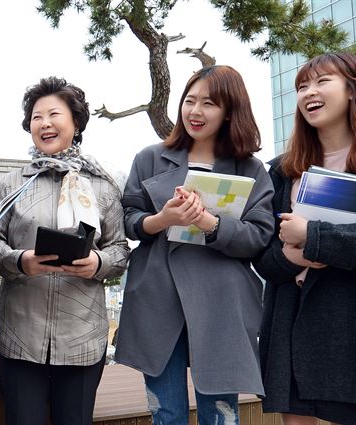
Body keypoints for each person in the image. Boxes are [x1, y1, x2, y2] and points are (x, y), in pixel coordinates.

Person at [254, 52, 356, 425]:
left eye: (322, 81)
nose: (309, 92)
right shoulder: (280, 169)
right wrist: (293, 258)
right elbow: (260, 251)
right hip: (291, 318)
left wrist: (313, 235)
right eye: (302, 86)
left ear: (354, 90)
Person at [115, 65, 275, 425]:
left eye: (209, 103)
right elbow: (127, 219)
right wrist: (163, 219)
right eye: (190, 101)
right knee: (165, 412)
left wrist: (210, 223)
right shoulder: (149, 158)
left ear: (231, 111)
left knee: (221, 414)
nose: (195, 112)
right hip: (158, 296)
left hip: (222, 303)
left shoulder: (250, 169)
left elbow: (259, 237)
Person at [0, 76, 129, 425]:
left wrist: (97, 262)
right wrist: (19, 260)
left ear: (76, 122)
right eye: (36, 116)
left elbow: (120, 250)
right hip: (20, 336)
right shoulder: (12, 183)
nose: (44, 124)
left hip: (82, 338)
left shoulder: (103, 185)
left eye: (54, 114)